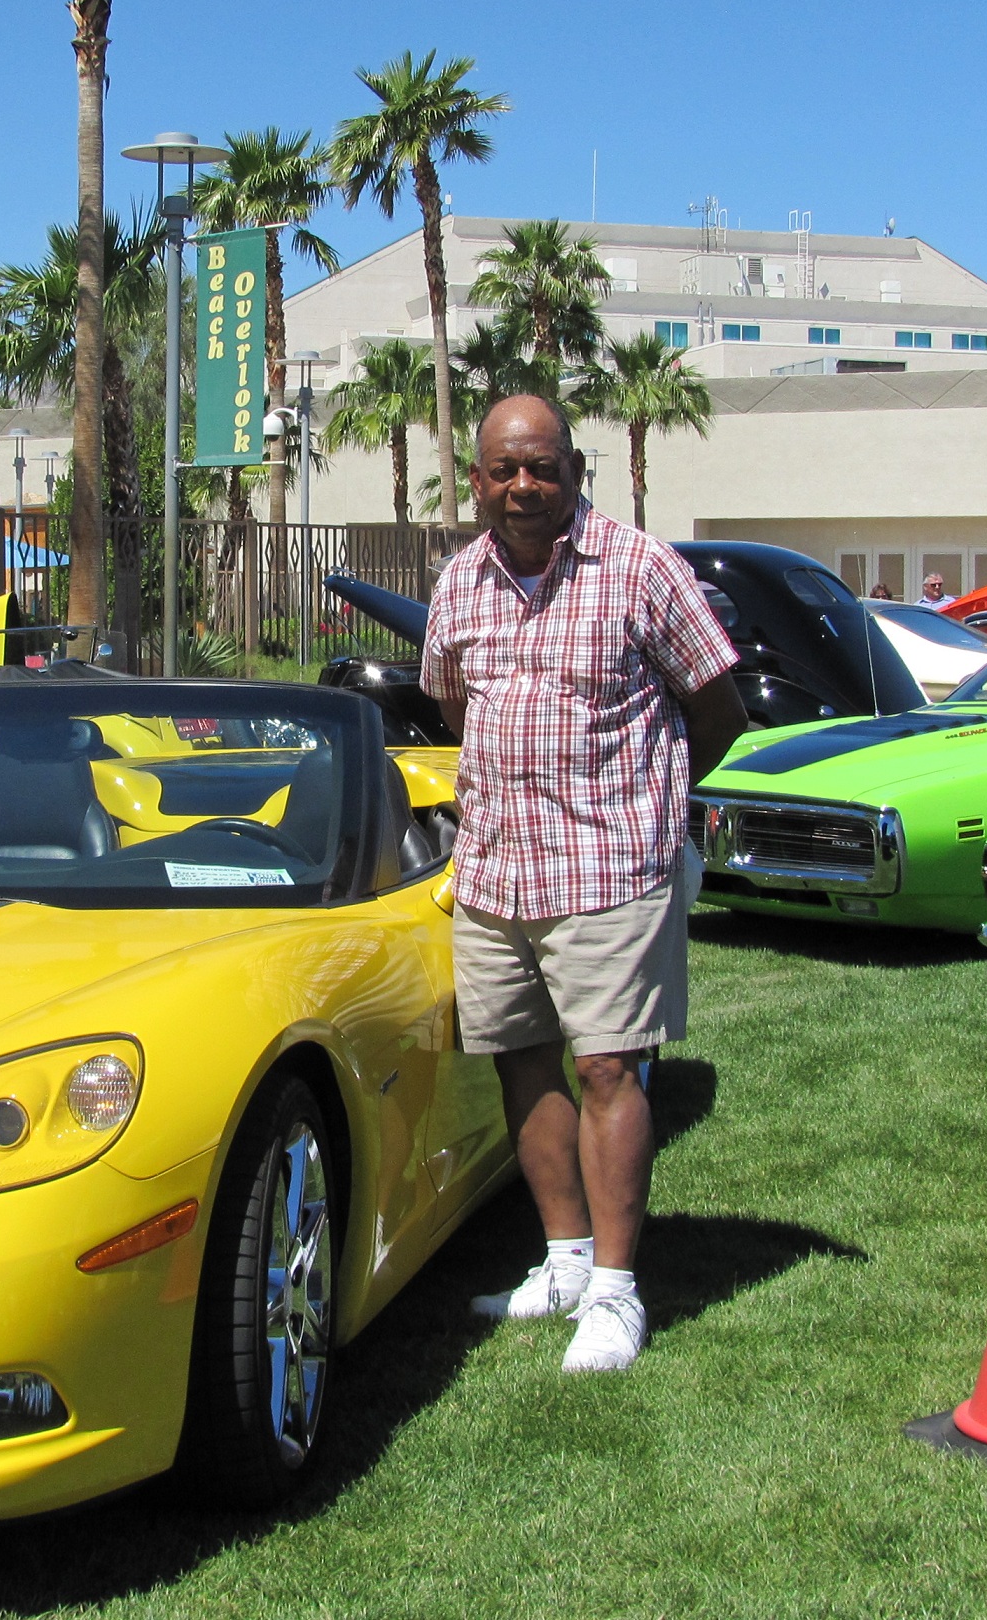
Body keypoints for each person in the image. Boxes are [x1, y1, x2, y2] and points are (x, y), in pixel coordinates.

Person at [421, 395, 745, 1374]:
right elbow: (447, 701)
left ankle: (614, 1289)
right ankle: (561, 1259)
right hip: (494, 868)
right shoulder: (459, 582)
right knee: (523, 1059)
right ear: (474, 480)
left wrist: (660, 810)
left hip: (608, 866)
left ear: (574, 470)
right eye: (502, 469)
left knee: (608, 1064)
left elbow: (717, 705)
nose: (523, 484)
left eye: (542, 466)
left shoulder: (640, 569)